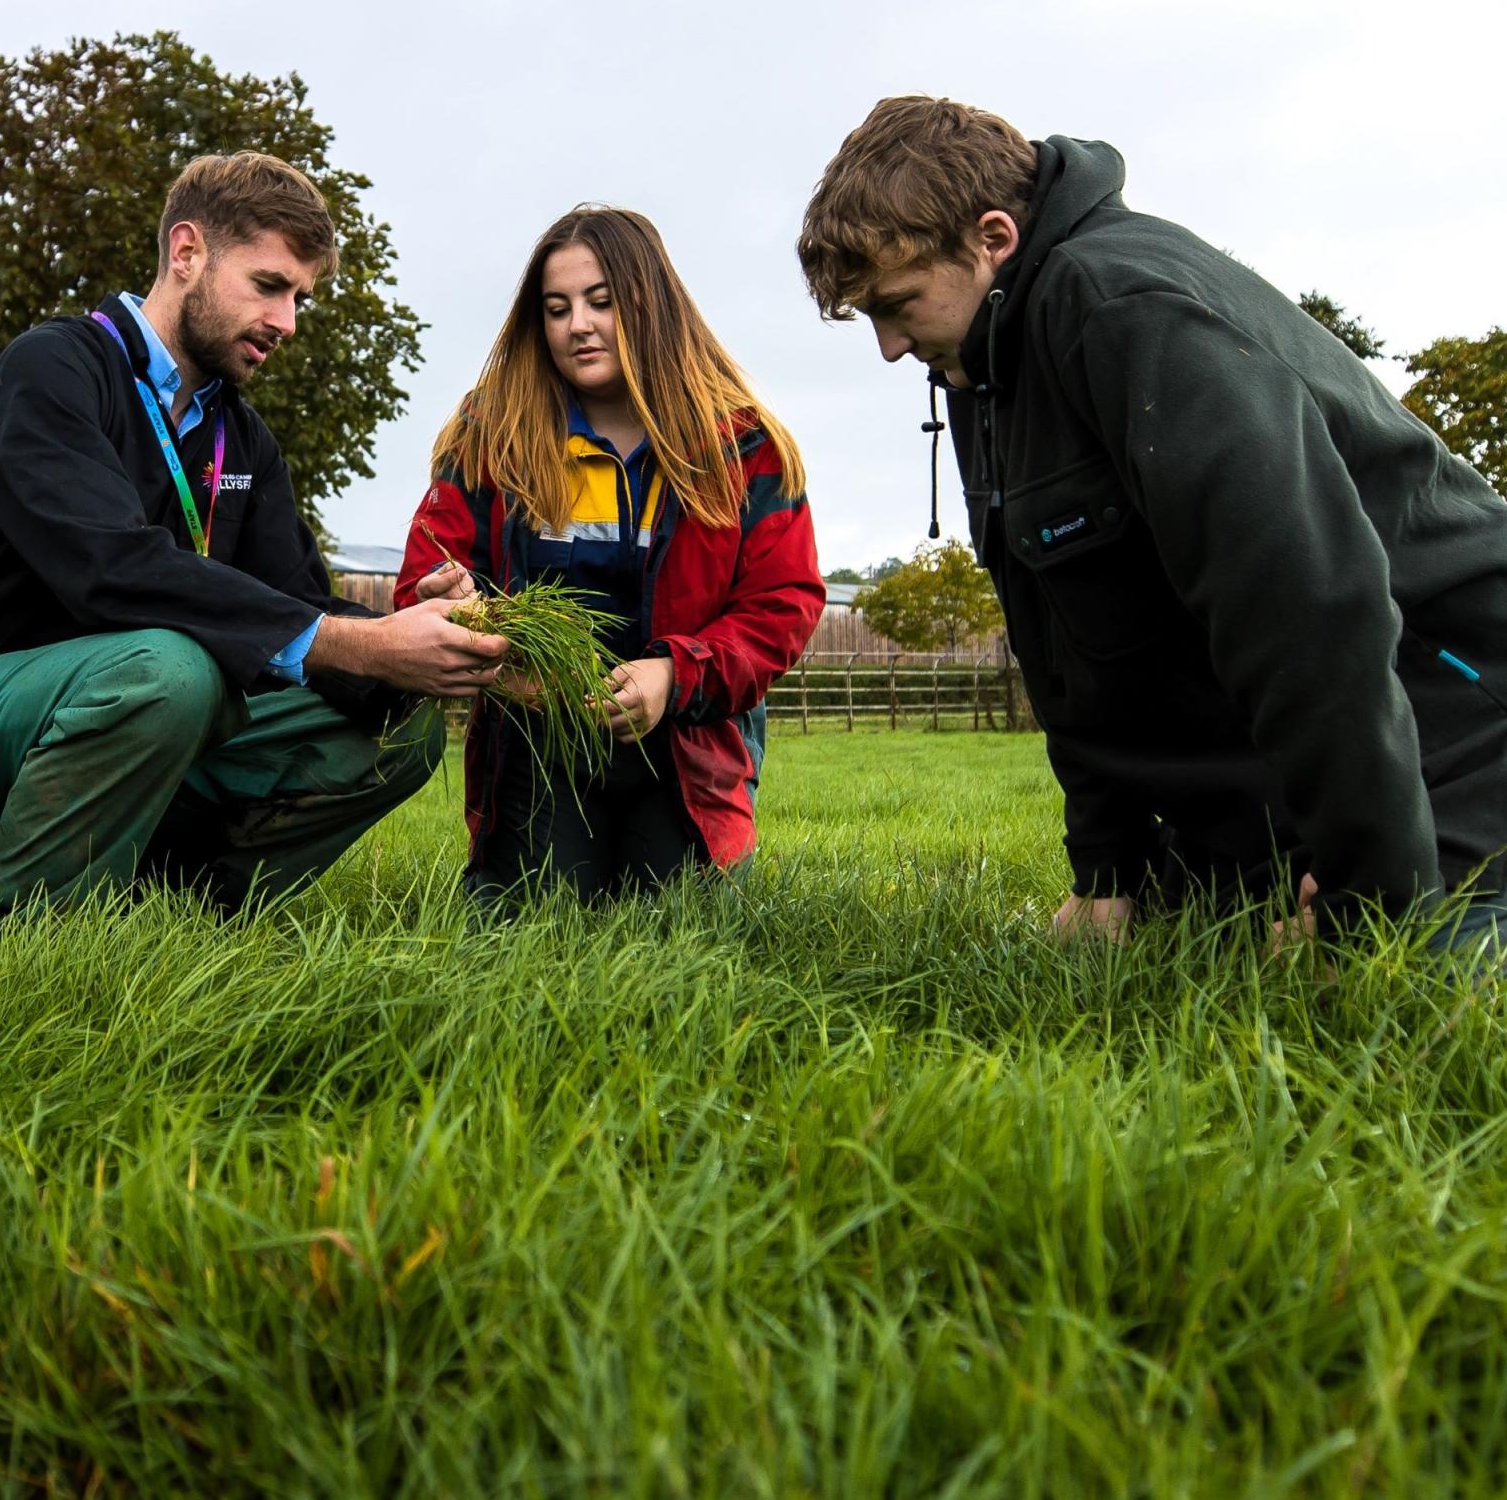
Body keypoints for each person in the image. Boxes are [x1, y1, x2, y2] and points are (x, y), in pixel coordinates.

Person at [797, 96, 1507, 957]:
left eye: (897, 304)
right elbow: (1061, 641)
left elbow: (1306, 608)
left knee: (1421, 990)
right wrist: (1109, 870)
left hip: (1463, 733)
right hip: (1286, 781)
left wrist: (1369, 897)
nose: (888, 348)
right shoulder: (982, 369)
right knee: (1191, 953)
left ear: (993, 239)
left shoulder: (1125, 307)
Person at [0, 152, 507, 920]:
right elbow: (113, 568)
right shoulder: (54, 368)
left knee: (401, 726)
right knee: (174, 667)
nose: (288, 322)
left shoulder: (243, 439)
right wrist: (360, 643)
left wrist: (426, 643)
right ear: (187, 253)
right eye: (269, 286)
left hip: (150, 716)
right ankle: (34, 936)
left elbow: (295, 603)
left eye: (302, 297)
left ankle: (177, 916)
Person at [396, 206, 823, 902]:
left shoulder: (742, 444)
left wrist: (671, 676)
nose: (577, 326)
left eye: (602, 302)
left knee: (676, 927)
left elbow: (784, 606)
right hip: (538, 737)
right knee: (530, 914)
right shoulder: (491, 432)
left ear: (651, 303)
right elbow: (426, 574)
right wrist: (473, 628)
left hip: (688, 743)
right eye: (557, 308)